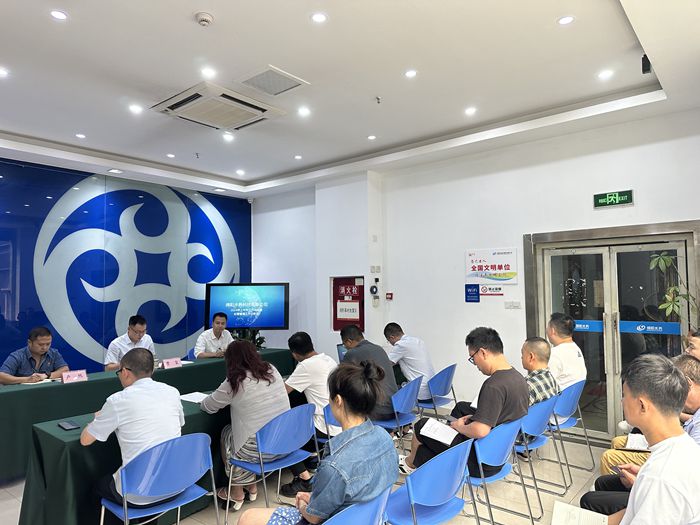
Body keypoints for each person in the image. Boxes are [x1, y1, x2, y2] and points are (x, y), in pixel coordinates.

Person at [237, 361, 399, 525]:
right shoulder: (384, 437)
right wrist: (315, 500)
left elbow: (314, 518)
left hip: (330, 520)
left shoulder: (335, 466)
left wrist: (303, 505)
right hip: (369, 519)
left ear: (338, 400)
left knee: (247, 517)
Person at [579, 354, 700, 523]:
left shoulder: (661, 478)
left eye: (624, 395)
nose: (622, 401)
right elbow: (632, 512)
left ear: (642, 405)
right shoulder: (685, 447)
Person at [400, 327, 528, 477]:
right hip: (498, 456)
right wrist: (473, 419)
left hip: (478, 462)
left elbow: (481, 430)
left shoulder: (493, 385)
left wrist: (460, 427)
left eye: (473, 358)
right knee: (461, 407)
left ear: (483, 352)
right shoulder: (518, 378)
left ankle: (410, 463)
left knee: (421, 425)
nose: (475, 365)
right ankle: (439, 446)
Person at [80, 348, 184, 506]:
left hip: (138, 494)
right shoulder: (172, 392)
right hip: (175, 485)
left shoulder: (117, 400)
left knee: (94, 486)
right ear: (152, 370)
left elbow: (85, 440)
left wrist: (96, 419)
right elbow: (180, 423)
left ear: (125, 372)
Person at [200, 340, 290, 511]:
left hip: (261, 451)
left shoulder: (235, 381)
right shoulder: (271, 369)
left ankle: (237, 492)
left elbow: (208, 406)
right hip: (285, 443)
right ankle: (252, 486)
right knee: (245, 436)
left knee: (228, 434)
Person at [280, 331, 339, 497]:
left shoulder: (305, 366)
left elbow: (283, 392)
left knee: (283, 434)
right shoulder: (329, 359)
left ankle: (305, 480)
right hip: (338, 421)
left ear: (294, 354)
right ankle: (312, 458)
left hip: (324, 427)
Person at [340, 324, 398, 420]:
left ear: (349, 341)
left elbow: (342, 380)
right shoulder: (379, 348)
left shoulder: (352, 353)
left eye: (344, 344)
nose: (345, 347)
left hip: (379, 412)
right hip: (395, 407)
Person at [384, 322, 435, 402]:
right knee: (398, 369)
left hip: (420, 393)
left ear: (392, 337)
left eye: (388, 341)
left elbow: (386, 364)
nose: (390, 343)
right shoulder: (417, 341)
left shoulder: (400, 345)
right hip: (432, 389)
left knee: (386, 387)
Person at [0, 326, 69, 385]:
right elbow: (1, 377)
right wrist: (27, 379)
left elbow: (65, 370)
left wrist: (46, 375)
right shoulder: (17, 356)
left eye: (48, 344)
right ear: (29, 342)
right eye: (40, 344)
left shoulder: (54, 353)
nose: (45, 348)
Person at [546, 312, 587, 394]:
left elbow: (545, 386)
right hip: (569, 399)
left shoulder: (554, 354)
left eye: (547, 328)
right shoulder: (576, 349)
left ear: (552, 330)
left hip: (557, 399)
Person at [520, 336, 559, 406]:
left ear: (531, 357)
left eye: (522, 353)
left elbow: (518, 411)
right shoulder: (551, 379)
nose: (521, 357)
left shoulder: (528, 386)